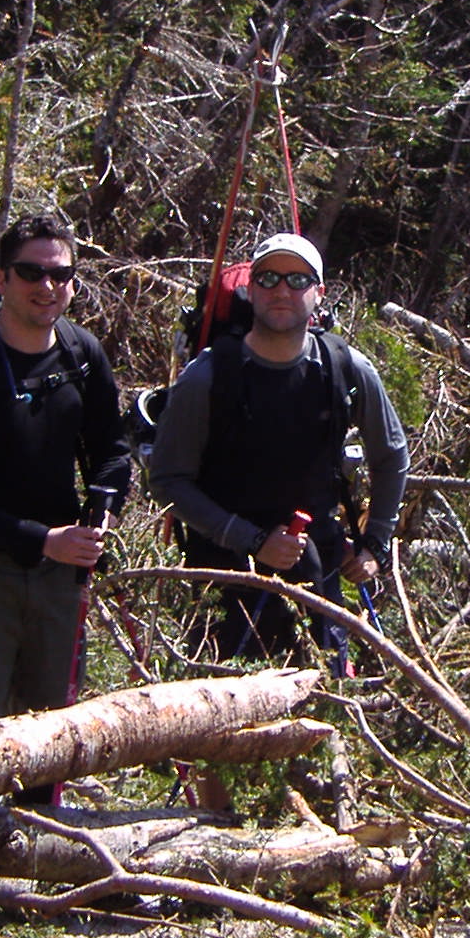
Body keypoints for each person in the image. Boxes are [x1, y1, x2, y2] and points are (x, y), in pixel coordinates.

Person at [149, 231, 408, 665]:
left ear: (318, 294)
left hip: (318, 573)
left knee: (322, 703)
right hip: (224, 577)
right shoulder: (208, 376)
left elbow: (392, 454)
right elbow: (168, 479)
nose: (282, 290)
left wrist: (376, 545)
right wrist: (251, 541)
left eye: (298, 280)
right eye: (268, 279)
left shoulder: (343, 368)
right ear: (250, 289)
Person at [0, 214, 131, 736]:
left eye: (60, 275)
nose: (47, 287)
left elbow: (113, 452)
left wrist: (102, 513)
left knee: (50, 738)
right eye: (31, 273)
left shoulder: (82, 353)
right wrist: (43, 540)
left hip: (59, 578)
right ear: (2, 279)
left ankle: (36, 820)